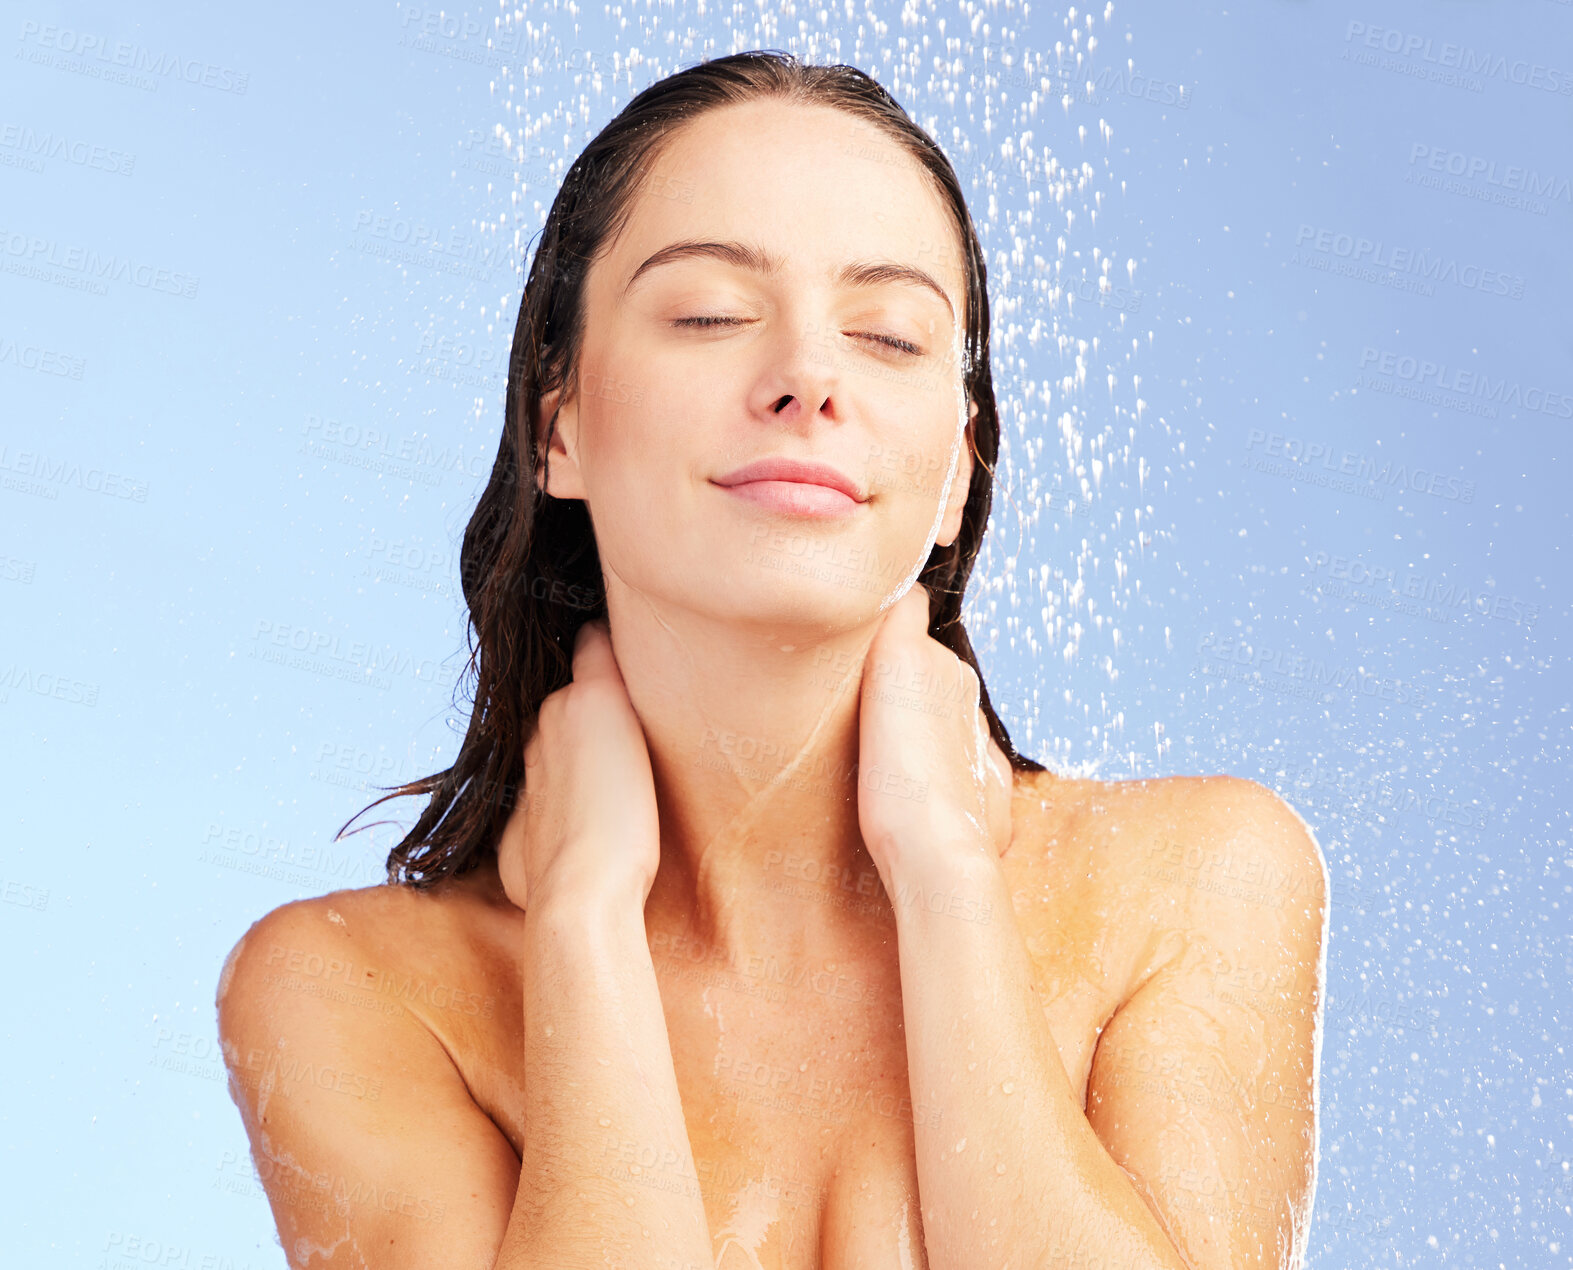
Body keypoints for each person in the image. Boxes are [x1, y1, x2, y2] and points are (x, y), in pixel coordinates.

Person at [215, 50, 1327, 1270]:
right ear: (558, 423)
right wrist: (586, 926)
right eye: (708, 314)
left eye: (890, 335)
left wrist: (946, 876)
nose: (808, 375)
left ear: (956, 470)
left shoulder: (1192, 882)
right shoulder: (357, 990)